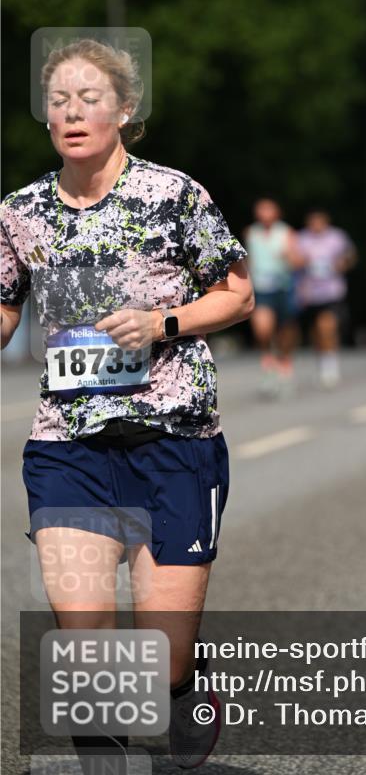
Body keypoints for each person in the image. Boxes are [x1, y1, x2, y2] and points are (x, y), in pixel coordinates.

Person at [0, 39, 253, 771]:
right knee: (83, 637)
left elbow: (237, 292)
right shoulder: (19, 213)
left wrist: (161, 323)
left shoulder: (174, 196)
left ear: (124, 110)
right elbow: (6, 313)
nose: (72, 112)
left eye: (89, 99)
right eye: (58, 101)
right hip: (68, 446)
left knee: (162, 653)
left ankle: (182, 686)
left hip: (174, 442)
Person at [245, 198, 300, 397]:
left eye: (269, 210)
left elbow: (298, 261)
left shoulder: (286, 233)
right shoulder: (251, 233)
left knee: (285, 330)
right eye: (261, 210)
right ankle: (268, 364)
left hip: (283, 287)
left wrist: (290, 257)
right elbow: (248, 259)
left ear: (277, 213)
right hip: (261, 288)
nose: (265, 215)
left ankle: (285, 364)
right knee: (262, 329)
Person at [295, 210, 356, 388]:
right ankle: (322, 361)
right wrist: (300, 261)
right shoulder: (301, 238)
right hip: (308, 294)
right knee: (316, 333)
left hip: (331, 292)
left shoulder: (337, 237)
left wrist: (343, 262)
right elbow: (292, 259)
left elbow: (351, 255)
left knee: (327, 326)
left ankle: (330, 366)